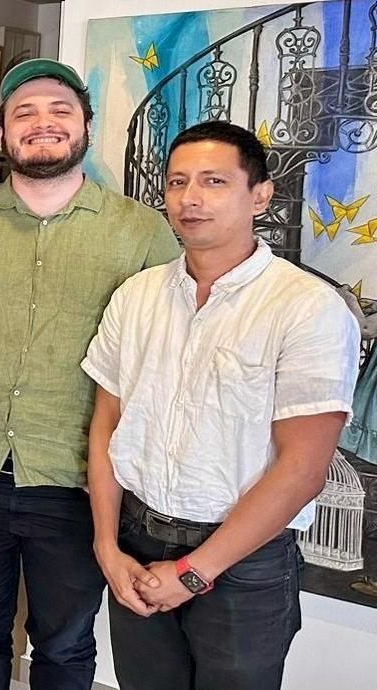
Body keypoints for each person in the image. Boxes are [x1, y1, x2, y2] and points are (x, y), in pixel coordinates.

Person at [0, 58, 181, 690]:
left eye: (60, 110)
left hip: (81, 482)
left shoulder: (140, 233)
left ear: (86, 126)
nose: (42, 124)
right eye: (23, 113)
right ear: (1, 135)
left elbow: (163, 363)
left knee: (65, 642)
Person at [82, 121, 359, 690]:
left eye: (214, 181)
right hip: (136, 541)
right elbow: (106, 425)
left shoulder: (306, 308)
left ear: (259, 195)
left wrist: (193, 573)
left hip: (242, 564)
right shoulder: (136, 297)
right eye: (178, 182)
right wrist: (107, 546)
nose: (191, 198)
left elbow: (302, 470)